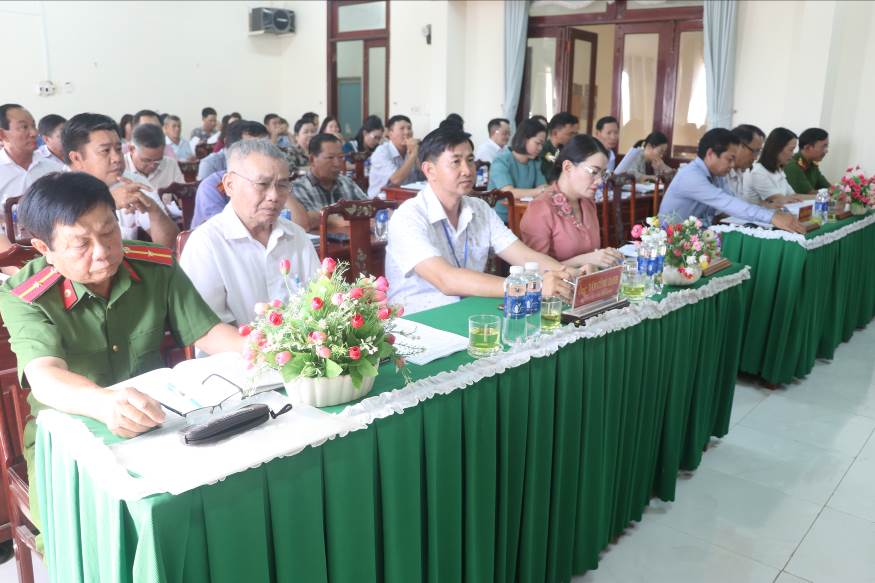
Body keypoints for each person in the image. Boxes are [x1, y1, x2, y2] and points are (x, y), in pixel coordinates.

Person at [0, 171, 245, 542]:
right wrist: (103, 403)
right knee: (88, 536)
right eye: (81, 244)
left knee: (220, 498)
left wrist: (269, 348)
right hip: (71, 435)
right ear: (43, 248)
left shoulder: (155, 266)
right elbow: (45, 375)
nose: (102, 251)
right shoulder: (25, 296)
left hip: (158, 420)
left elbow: (207, 332)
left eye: (109, 232)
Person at [385, 126, 576, 315]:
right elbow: (446, 280)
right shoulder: (408, 217)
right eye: (456, 162)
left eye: (470, 160)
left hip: (470, 311)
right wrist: (530, 286)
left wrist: (568, 273)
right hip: (418, 320)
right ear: (429, 170)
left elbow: (524, 256)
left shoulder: (480, 209)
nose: (467, 170)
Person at [180, 140, 319, 326]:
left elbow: (319, 303)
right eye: (262, 184)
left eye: (282, 185)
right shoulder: (206, 244)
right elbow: (205, 329)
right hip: (235, 345)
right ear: (230, 185)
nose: (274, 196)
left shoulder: (296, 236)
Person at [63, 112, 179, 247]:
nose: (117, 158)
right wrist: (108, 202)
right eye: (105, 151)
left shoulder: (132, 182)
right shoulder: (55, 191)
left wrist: (154, 210)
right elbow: (71, 246)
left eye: (118, 149)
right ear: (77, 158)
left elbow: (170, 246)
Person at [658, 128, 804, 233]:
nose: (733, 165)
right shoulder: (691, 176)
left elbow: (734, 201)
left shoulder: (716, 175)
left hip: (699, 236)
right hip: (673, 242)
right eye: (730, 159)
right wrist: (772, 217)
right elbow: (727, 203)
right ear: (710, 154)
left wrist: (770, 211)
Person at [521, 135, 623, 269]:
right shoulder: (540, 208)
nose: (599, 181)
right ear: (568, 167)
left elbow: (592, 254)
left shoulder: (587, 202)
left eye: (603, 174)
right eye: (594, 172)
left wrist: (604, 256)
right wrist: (583, 260)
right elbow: (533, 270)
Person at [191, 120, 271, 227]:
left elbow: (290, 219)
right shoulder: (212, 185)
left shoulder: (271, 181)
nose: (263, 155)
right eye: (253, 148)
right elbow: (224, 229)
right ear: (232, 149)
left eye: (267, 148)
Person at [292, 134, 369, 231]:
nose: (337, 164)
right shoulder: (299, 188)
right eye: (330, 157)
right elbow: (305, 221)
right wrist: (332, 220)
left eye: (340, 157)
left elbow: (369, 208)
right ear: (312, 159)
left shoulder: (347, 183)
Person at [0, 104, 64, 208]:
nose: (34, 133)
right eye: (24, 127)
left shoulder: (55, 170)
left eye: (33, 126)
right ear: (2, 135)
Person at [488, 118, 548, 222]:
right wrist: (539, 191)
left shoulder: (535, 162)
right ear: (524, 139)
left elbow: (543, 187)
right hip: (501, 219)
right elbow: (509, 193)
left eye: (542, 144)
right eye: (538, 143)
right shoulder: (501, 161)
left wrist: (543, 190)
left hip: (525, 216)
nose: (540, 148)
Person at [744, 127, 812, 207]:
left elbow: (793, 196)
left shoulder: (778, 170)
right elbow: (782, 200)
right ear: (777, 148)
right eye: (791, 150)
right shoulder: (758, 172)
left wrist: (819, 197)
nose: (793, 154)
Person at [368, 114, 420, 198]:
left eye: (409, 128)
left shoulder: (411, 149)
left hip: (407, 198)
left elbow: (425, 177)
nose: (407, 132)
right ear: (390, 133)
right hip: (381, 201)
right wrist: (413, 155)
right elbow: (396, 180)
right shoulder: (381, 152)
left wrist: (417, 154)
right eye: (402, 129)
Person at [197, 120, 268, 181]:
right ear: (231, 144)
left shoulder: (267, 160)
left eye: (264, 145)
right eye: (252, 146)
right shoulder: (210, 164)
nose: (261, 151)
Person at [125, 123, 184, 191]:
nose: (152, 166)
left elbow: (182, 193)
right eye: (146, 160)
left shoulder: (171, 165)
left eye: (158, 160)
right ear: (132, 149)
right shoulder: (120, 168)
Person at [784, 128, 831, 194]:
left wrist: (840, 189)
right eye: (823, 146)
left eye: (827, 146)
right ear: (807, 148)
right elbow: (808, 194)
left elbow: (827, 187)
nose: (826, 151)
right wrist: (833, 192)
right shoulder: (792, 165)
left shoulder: (812, 164)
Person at [726, 124, 765, 198]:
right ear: (738, 146)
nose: (755, 158)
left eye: (758, 152)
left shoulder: (739, 171)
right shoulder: (721, 174)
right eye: (755, 151)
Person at [540, 112, 579, 178]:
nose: (573, 137)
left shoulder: (569, 150)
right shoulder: (542, 151)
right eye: (570, 134)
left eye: (575, 134)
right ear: (555, 133)